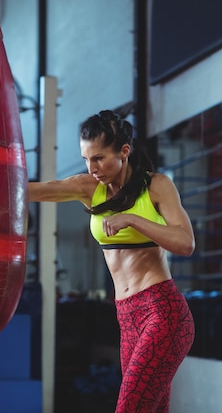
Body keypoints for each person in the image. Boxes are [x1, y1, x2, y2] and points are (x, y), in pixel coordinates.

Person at [29, 110, 195, 413]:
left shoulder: (157, 186)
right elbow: (32, 191)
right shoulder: (89, 189)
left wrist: (132, 219)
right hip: (126, 317)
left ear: (124, 151)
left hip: (163, 313)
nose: (92, 168)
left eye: (99, 158)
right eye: (86, 159)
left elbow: (185, 243)